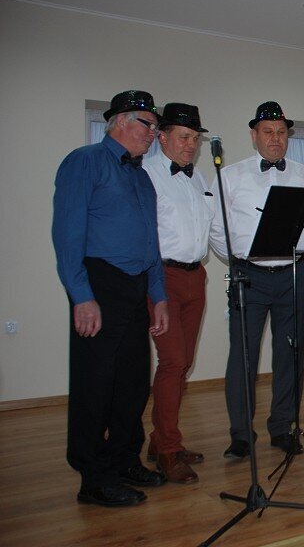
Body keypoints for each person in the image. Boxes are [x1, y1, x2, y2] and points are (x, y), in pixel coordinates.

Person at [52, 90, 169, 507]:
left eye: (155, 127)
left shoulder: (142, 177)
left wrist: (158, 295)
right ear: (119, 121)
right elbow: (67, 234)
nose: (153, 133)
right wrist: (81, 296)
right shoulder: (84, 161)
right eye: (147, 124)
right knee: (94, 385)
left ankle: (124, 460)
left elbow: (151, 243)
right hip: (100, 283)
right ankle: (93, 478)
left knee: (133, 383)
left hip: (136, 286)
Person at [210, 101, 304, 458]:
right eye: (268, 131)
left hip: (293, 274)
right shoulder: (230, 176)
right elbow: (217, 229)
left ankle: (283, 427)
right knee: (243, 356)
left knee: (290, 353)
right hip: (249, 275)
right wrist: (240, 258)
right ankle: (242, 434)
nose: (276, 138)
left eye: (282, 132)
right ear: (254, 135)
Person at [142, 103, 214, 483]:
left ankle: (161, 440)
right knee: (173, 362)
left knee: (183, 363)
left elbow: (210, 231)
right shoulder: (147, 174)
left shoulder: (198, 178)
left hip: (195, 277)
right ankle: (168, 450)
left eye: (195, 139)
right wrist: (154, 289)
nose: (191, 145)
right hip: (162, 278)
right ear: (162, 137)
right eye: (184, 137)